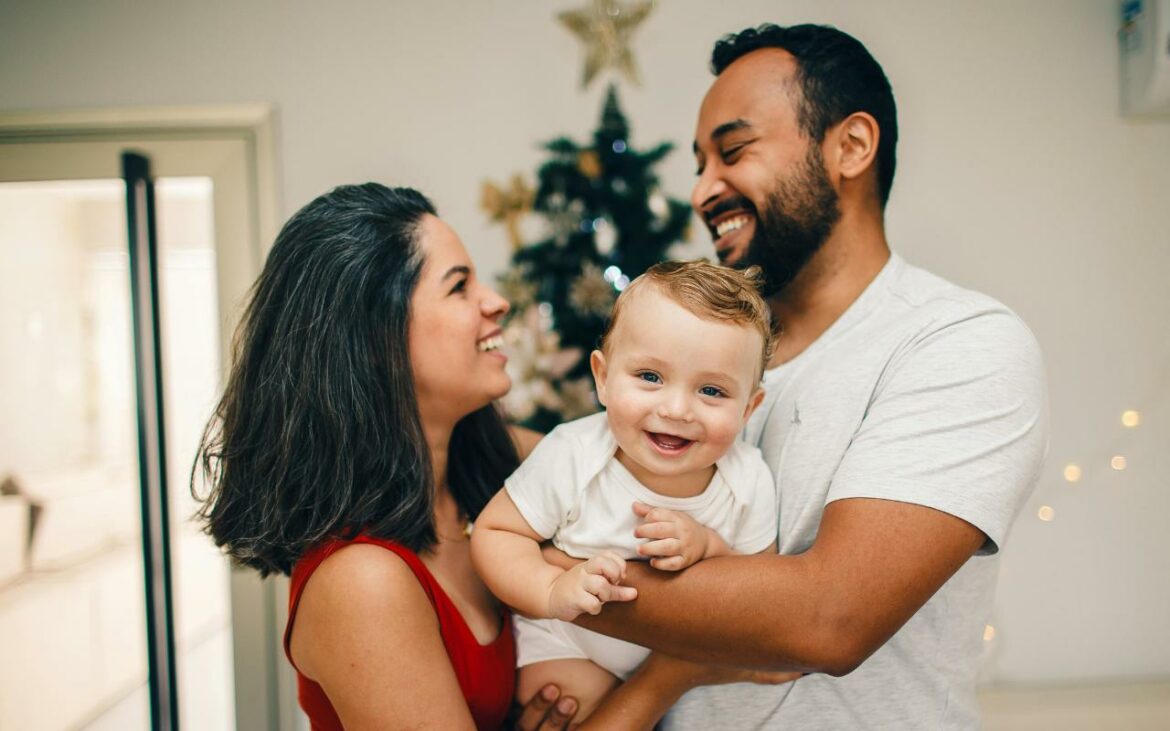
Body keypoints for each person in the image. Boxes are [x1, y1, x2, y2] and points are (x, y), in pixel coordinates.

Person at [547, 23, 1048, 729]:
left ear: (852, 146)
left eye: (734, 151)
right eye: (700, 164)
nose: (702, 190)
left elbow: (828, 619)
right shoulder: (703, 354)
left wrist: (540, 571)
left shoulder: (957, 342)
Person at [193, 183, 586, 730]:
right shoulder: (361, 581)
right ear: (380, 338)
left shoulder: (507, 463)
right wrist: (675, 672)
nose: (496, 301)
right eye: (459, 286)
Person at [472, 261, 779, 721]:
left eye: (712, 391)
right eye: (650, 377)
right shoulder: (573, 453)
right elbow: (497, 532)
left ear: (749, 408)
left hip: (680, 662)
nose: (676, 409)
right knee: (572, 701)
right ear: (603, 377)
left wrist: (709, 546)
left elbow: (765, 588)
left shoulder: (748, 478)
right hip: (571, 644)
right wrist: (550, 588)